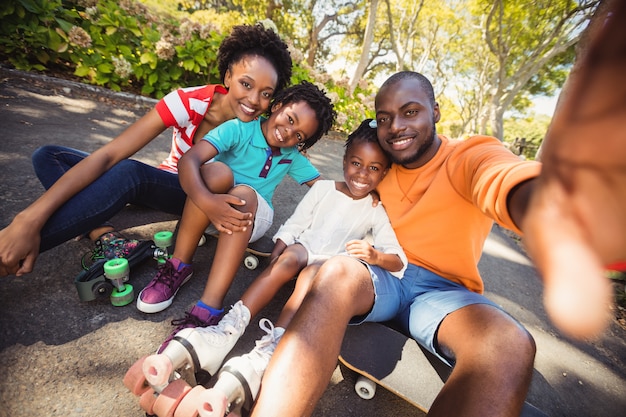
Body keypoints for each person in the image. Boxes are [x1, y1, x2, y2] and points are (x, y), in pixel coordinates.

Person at [250, 3, 626, 414]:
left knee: (511, 343)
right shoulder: (381, 166)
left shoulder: (471, 155)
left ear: (436, 113)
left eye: (410, 112)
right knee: (336, 270)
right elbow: (330, 188)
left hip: (443, 293)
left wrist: (553, 208)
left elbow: (502, 179)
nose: (397, 127)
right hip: (380, 276)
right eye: (385, 118)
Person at [0, 23, 292, 278]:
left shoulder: (266, 129)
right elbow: (109, 154)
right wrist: (27, 219)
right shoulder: (188, 102)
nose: (254, 100)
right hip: (166, 179)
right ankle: (101, 233)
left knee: (131, 175)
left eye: (266, 94)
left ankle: (5, 257)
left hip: (200, 196)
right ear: (228, 77)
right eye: (246, 84)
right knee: (49, 156)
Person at [159, 118, 407, 388]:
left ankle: (271, 345)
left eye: (373, 168)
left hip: (331, 262)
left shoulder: (376, 209)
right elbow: (297, 223)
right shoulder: (324, 189)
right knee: (285, 262)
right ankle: (229, 328)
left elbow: (397, 259)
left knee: (309, 279)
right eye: (356, 163)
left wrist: (375, 256)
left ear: (384, 174)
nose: (361, 174)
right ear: (345, 159)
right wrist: (278, 249)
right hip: (305, 247)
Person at [138, 81, 337, 351]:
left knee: (244, 193)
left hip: (252, 217)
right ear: (277, 106)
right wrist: (208, 202)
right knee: (216, 172)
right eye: (290, 119)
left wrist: (368, 192)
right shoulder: (238, 129)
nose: (288, 134)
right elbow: (190, 161)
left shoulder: (291, 157)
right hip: (209, 210)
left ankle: (208, 308)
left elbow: (327, 191)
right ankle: (178, 266)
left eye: (299, 136)